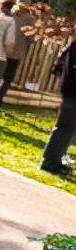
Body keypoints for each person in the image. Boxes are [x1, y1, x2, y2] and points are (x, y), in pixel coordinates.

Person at [0, 0, 37, 116]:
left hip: (1, 50)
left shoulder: (8, 14)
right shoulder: (30, 19)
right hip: (15, 54)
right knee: (6, 80)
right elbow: (31, 38)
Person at [39, 36, 76, 176]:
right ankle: (49, 161)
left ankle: (56, 159)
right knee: (64, 127)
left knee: (69, 128)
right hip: (72, 91)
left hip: (71, 89)